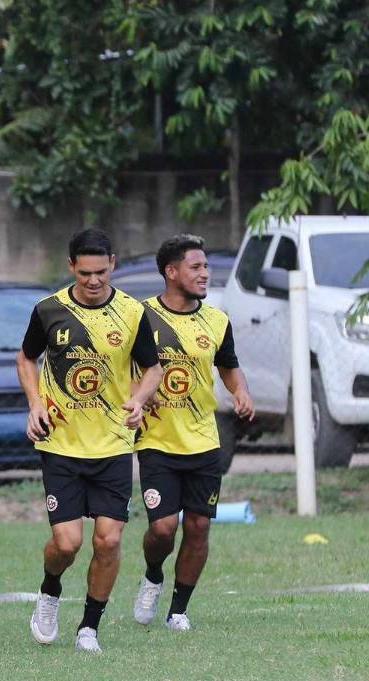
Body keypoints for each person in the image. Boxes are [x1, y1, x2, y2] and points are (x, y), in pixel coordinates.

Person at [17, 228, 163, 654]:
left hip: (114, 444)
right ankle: (49, 592)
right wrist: (35, 404)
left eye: (101, 272)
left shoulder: (133, 312)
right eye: (85, 273)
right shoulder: (49, 310)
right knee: (67, 544)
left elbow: (152, 368)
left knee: (109, 541)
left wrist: (139, 399)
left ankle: (89, 628)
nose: (94, 280)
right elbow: (26, 357)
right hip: (61, 443)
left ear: (112, 264)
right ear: (71, 267)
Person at [132, 234, 254, 631]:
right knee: (163, 528)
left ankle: (178, 611)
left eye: (206, 266)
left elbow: (229, 366)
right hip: (156, 440)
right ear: (171, 272)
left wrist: (241, 392)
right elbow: (119, 365)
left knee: (199, 526)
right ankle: (153, 575)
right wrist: (137, 395)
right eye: (196, 267)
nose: (205, 273)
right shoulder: (140, 316)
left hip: (203, 440)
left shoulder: (216, 320)